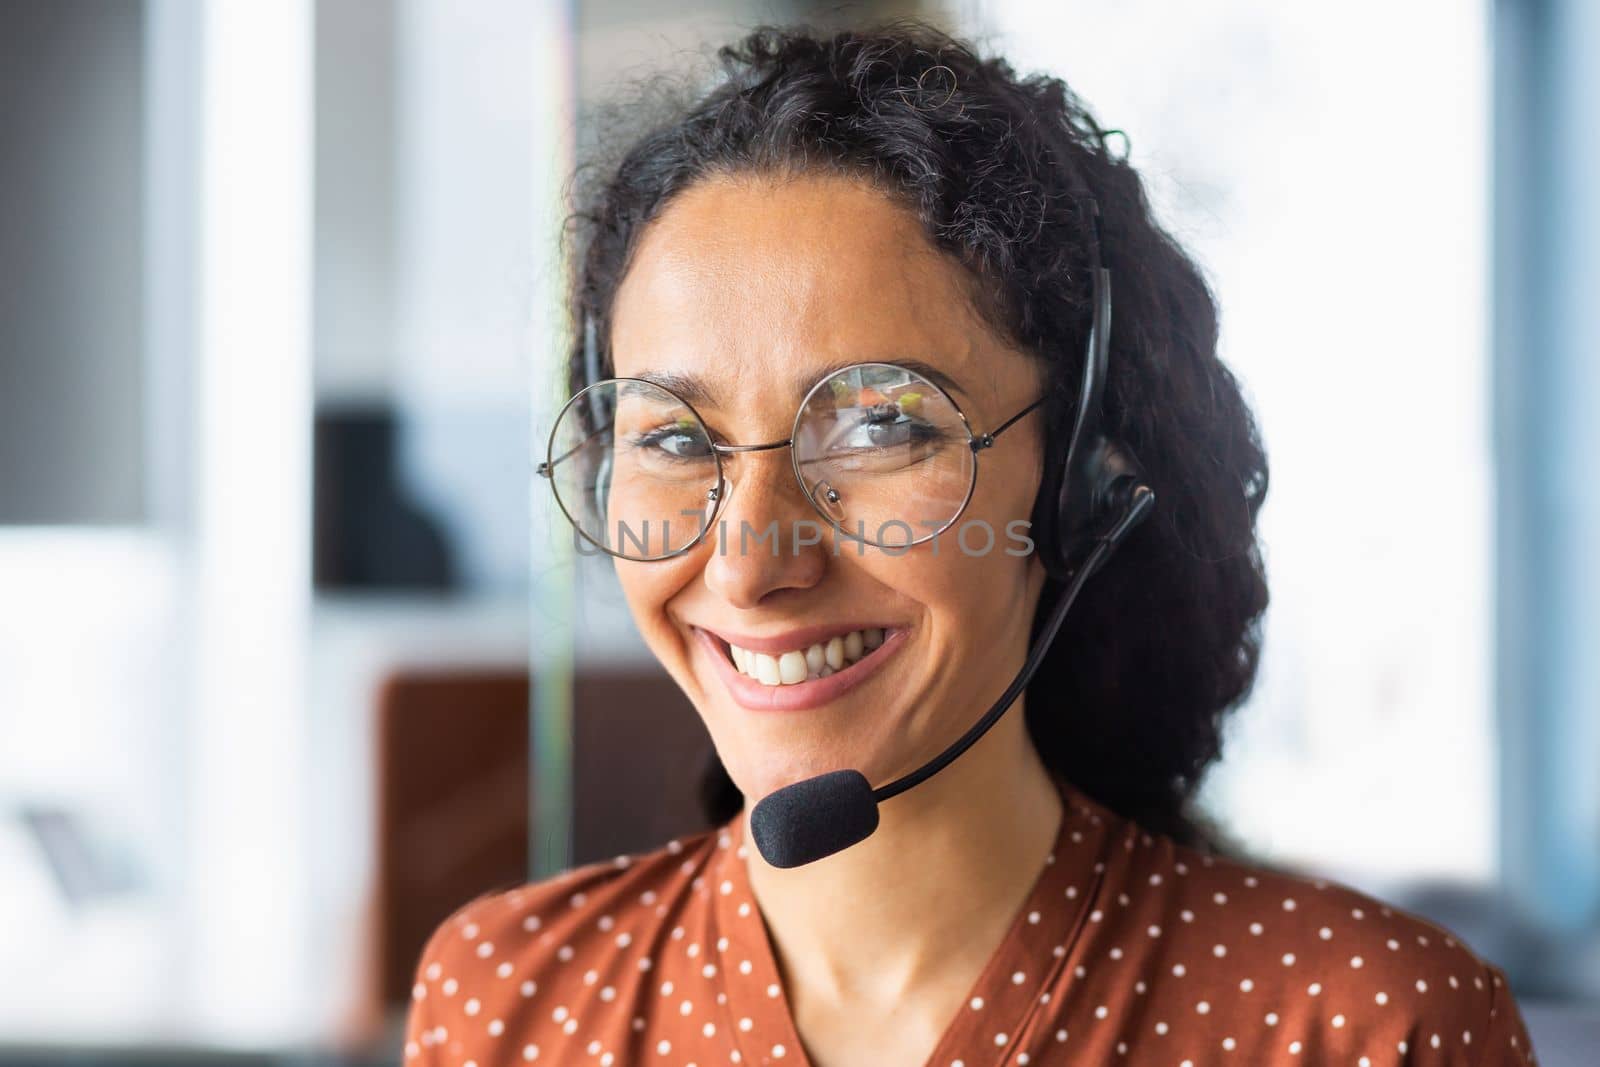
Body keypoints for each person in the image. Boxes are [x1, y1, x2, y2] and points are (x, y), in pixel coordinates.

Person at [403, 18, 1538, 1066]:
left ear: (1084, 484)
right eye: (672, 436)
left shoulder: (1360, 1024)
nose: (749, 562)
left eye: (879, 424)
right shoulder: (508, 1001)